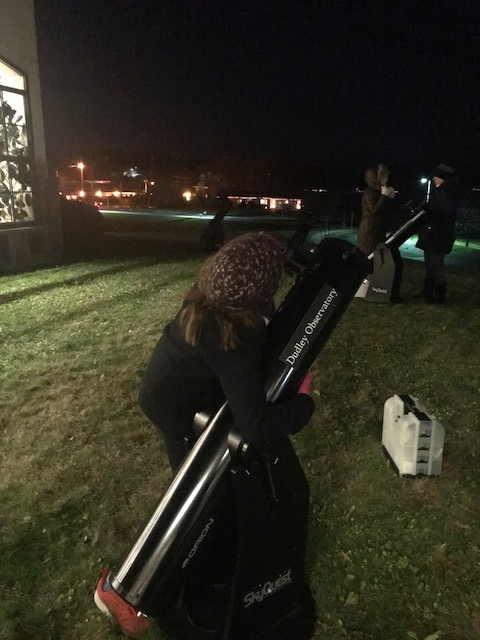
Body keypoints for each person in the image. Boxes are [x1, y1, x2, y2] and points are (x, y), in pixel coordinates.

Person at [94, 231, 315, 635]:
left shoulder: (219, 293)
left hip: (179, 392)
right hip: (175, 410)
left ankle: (213, 561)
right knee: (192, 501)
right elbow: (255, 424)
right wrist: (303, 404)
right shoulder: (231, 338)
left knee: (212, 499)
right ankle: (125, 595)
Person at [414, 163, 462, 304]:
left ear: (443, 178)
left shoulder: (448, 193)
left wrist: (429, 212)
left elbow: (443, 213)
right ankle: (427, 291)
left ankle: (440, 296)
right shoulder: (440, 192)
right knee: (429, 263)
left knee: (436, 264)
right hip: (432, 234)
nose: (434, 178)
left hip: (440, 235)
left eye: (436, 176)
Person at [357, 163, 403, 303]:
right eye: (384, 177)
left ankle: (372, 289)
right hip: (370, 232)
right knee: (369, 259)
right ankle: (363, 289)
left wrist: (389, 198)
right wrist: (385, 196)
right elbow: (374, 211)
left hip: (376, 231)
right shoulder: (370, 192)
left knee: (375, 259)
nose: (386, 180)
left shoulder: (376, 191)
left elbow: (383, 212)